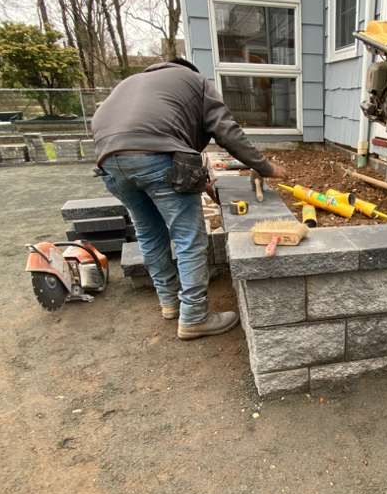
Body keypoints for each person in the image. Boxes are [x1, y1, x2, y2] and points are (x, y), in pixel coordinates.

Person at [92, 58, 288, 340]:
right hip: (156, 157)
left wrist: (198, 179)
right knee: (188, 238)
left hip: (109, 160)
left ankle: (170, 303)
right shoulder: (195, 82)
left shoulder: (131, 84)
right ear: (189, 71)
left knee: (149, 233)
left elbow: (169, 131)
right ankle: (195, 316)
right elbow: (226, 132)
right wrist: (265, 167)